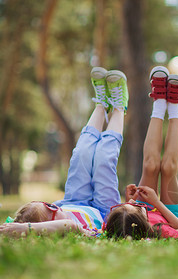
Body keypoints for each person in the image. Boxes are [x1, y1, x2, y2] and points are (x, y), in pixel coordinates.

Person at [0, 67, 128, 237]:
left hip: (74, 199)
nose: (54, 205)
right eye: (52, 209)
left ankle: (101, 104)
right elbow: (68, 225)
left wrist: (22, 225)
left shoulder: (62, 208)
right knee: (104, 158)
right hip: (104, 210)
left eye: (49, 204)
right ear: (52, 224)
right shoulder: (74, 230)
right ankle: (119, 107)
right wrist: (28, 230)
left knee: (81, 154)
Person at [104, 66, 178, 239]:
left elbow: (121, 219)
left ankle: (159, 102)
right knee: (169, 168)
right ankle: (175, 105)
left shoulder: (115, 225)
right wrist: (156, 202)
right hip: (169, 216)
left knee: (150, 166)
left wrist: (130, 202)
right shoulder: (157, 229)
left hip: (140, 208)